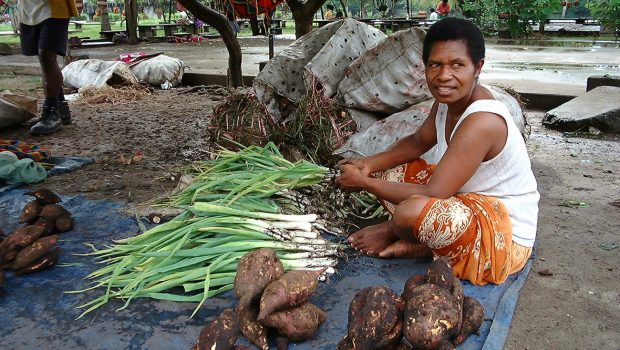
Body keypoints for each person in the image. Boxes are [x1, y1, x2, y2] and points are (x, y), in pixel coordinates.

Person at [335, 18, 539, 286]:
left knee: (410, 212)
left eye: (457, 65)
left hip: (502, 234)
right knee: (390, 170)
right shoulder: (448, 102)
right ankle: (425, 245)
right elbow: (418, 141)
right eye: (435, 65)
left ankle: (400, 235)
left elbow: (434, 194)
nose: (444, 76)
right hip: (465, 202)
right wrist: (368, 164)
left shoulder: (482, 122)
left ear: (478, 67)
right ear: (425, 66)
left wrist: (365, 184)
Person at [18, 0, 78, 135]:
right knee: (44, 59)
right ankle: (60, 108)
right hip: (28, 9)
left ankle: (51, 113)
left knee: (47, 56)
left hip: (54, 7)